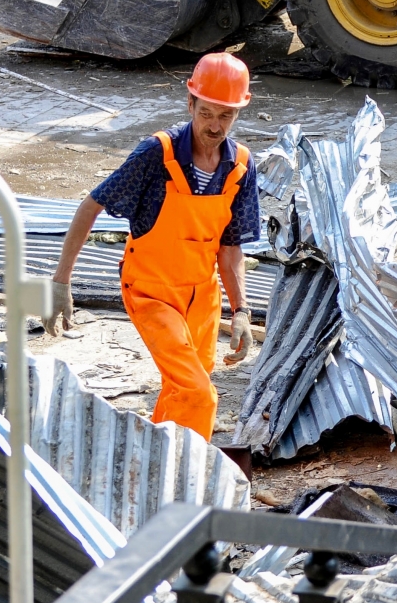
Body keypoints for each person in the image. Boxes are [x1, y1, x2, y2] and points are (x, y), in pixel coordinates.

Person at [51, 54, 260, 440]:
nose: (215, 126)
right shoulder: (157, 154)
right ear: (190, 103)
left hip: (202, 298)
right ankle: (189, 484)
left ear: (238, 112)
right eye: (207, 113)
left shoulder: (241, 165)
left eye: (226, 116)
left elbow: (230, 249)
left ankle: (152, 463)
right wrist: (61, 283)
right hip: (151, 292)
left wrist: (242, 310)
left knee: (182, 392)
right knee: (200, 396)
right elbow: (90, 206)